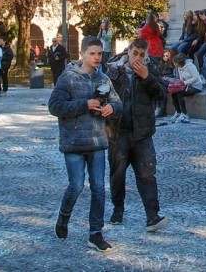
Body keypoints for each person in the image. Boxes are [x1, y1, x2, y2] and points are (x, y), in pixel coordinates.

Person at [48, 36, 121, 252]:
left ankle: (95, 233)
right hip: (74, 141)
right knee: (77, 185)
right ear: (82, 54)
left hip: (97, 140)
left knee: (99, 189)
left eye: (100, 53)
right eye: (92, 53)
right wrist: (83, 105)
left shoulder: (103, 79)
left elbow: (117, 102)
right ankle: (64, 217)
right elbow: (55, 106)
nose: (97, 57)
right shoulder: (68, 78)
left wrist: (113, 109)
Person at [105, 37, 169, 233]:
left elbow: (162, 95)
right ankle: (118, 209)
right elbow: (102, 95)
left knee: (147, 174)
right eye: (135, 53)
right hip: (118, 130)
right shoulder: (115, 70)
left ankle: (152, 215)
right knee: (117, 174)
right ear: (128, 51)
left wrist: (147, 77)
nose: (138, 58)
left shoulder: (151, 68)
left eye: (142, 54)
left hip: (142, 132)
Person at [171, 53, 203, 123]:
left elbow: (196, 77)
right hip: (186, 85)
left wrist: (185, 82)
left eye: (174, 62)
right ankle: (178, 112)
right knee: (173, 92)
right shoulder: (179, 68)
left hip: (196, 86)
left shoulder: (190, 66)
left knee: (180, 93)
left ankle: (184, 114)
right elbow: (181, 77)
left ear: (178, 62)